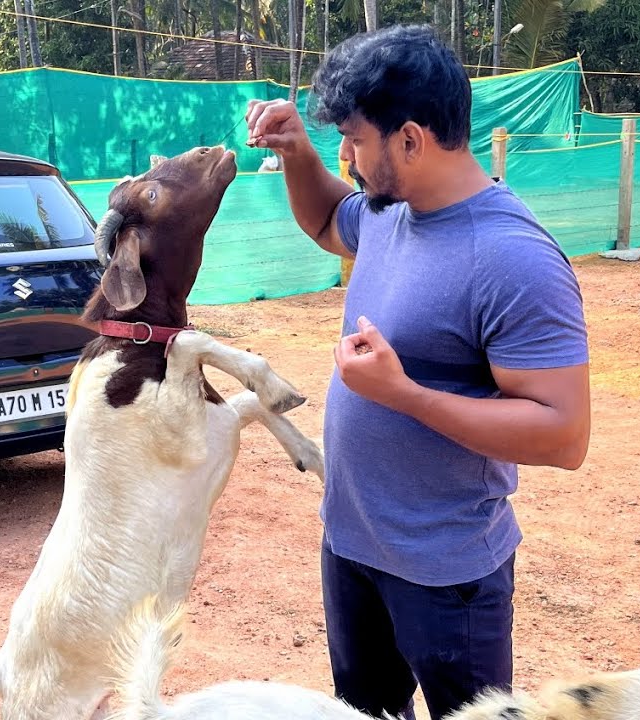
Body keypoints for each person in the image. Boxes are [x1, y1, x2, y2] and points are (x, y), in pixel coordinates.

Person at [244, 24, 592, 720]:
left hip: (448, 572)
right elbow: (325, 222)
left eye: (355, 140)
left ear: (411, 139)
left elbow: (563, 436)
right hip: (352, 544)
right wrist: (297, 153)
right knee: (366, 711)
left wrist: (403, 394)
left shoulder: (512, 258)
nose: (347, 157)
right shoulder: (390, 213)